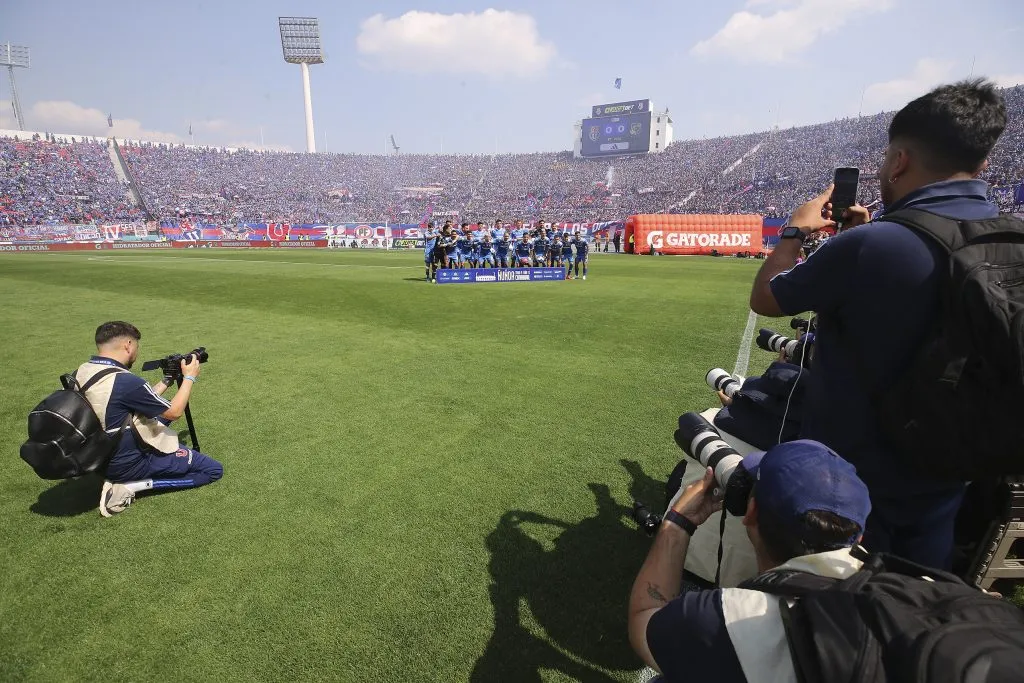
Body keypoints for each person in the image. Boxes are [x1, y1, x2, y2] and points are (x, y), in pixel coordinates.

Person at [748, 79, 1007, 569]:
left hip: (854, 480)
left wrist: (793, 231)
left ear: (899, 161)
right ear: (982, 165)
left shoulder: (873, 246)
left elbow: (766, 297)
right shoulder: (1006, 240)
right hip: (951, 471)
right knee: (916, 598)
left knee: (836, 612)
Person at [628, 440, 871, 683]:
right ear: (858, 536)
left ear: (751, 512)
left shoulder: (734, 619)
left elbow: (645, 622)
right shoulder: (898, 594)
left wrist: (675, 525)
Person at [77, 322, 223, 517]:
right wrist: (189, 378)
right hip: (126, 463)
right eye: (136, 345)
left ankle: (121, 476)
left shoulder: (85, 370)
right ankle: (130, 486)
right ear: (128, 344)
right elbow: (174, 412)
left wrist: (167, 380)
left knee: (158, 416)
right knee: (212, 470)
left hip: (99, 455)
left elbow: (139, 401)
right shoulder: (125, 381)